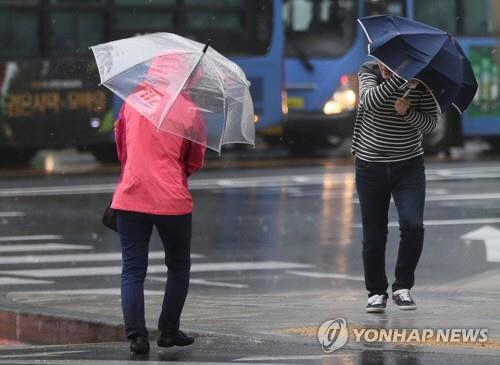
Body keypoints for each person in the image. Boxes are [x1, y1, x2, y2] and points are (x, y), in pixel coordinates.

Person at [111, 55, 206, 355]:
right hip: (172, 201)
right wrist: (175, 175)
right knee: (178, 265)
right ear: (186, 77)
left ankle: (137, 336)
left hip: (130, 195)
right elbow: (194, 159)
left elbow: (122, 147)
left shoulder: (132, 101)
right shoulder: (190, 110)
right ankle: (168, 330)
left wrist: (136, 172)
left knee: (133, 269)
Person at [352, 60, 438, 313]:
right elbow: (370, 101)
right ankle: (376, 292)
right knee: (374, 235)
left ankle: (402, 287)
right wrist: (400, 79)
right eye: (382, 61)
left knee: (413, 226)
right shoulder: (368, 72)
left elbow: (431, 124)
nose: (385, 66)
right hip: (370, 167)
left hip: (408, 167)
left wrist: (408, 112)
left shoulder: (422, 81)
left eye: (391, 64)